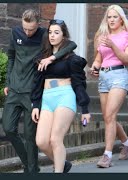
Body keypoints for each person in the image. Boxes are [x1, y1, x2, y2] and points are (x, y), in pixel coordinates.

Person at [2, 9, 77, 173]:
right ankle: (49, 164)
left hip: (32, 91)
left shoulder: (45, 34)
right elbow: (12, 56)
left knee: (31, 136)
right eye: (25, 29)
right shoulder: (15, 33)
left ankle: (32, 169)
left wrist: (52, 57)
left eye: (32, 29)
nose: (28, 33)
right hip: (14, 89)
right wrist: (8, 81)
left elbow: (71, 44)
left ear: (39, 24)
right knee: (8, 128)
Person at [30, 19, 91, 173]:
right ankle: (63, 164)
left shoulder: (70, 58)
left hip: (65, 95)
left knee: (55, 139)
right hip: (47, 98)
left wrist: (84, 108)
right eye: (50, 32)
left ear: (63, 36)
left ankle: (58, 171)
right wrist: (35, 105)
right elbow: (37, 83)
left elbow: (79, 83)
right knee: (42, 141)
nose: (52, 36)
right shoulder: (43, 56)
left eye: (56, 32)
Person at [90, 4, 128, 168]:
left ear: (121, 19)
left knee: (110, 115)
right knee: (108, 117)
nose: (111, 20)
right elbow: (99, 58)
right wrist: (95, 67)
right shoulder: (103, 36)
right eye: (109, 17)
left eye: (114, 17)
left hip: (119, 76)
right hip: (104, 77)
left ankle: (107, 155)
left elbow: (126, 59)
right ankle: (127, 143)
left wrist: (112, 45)